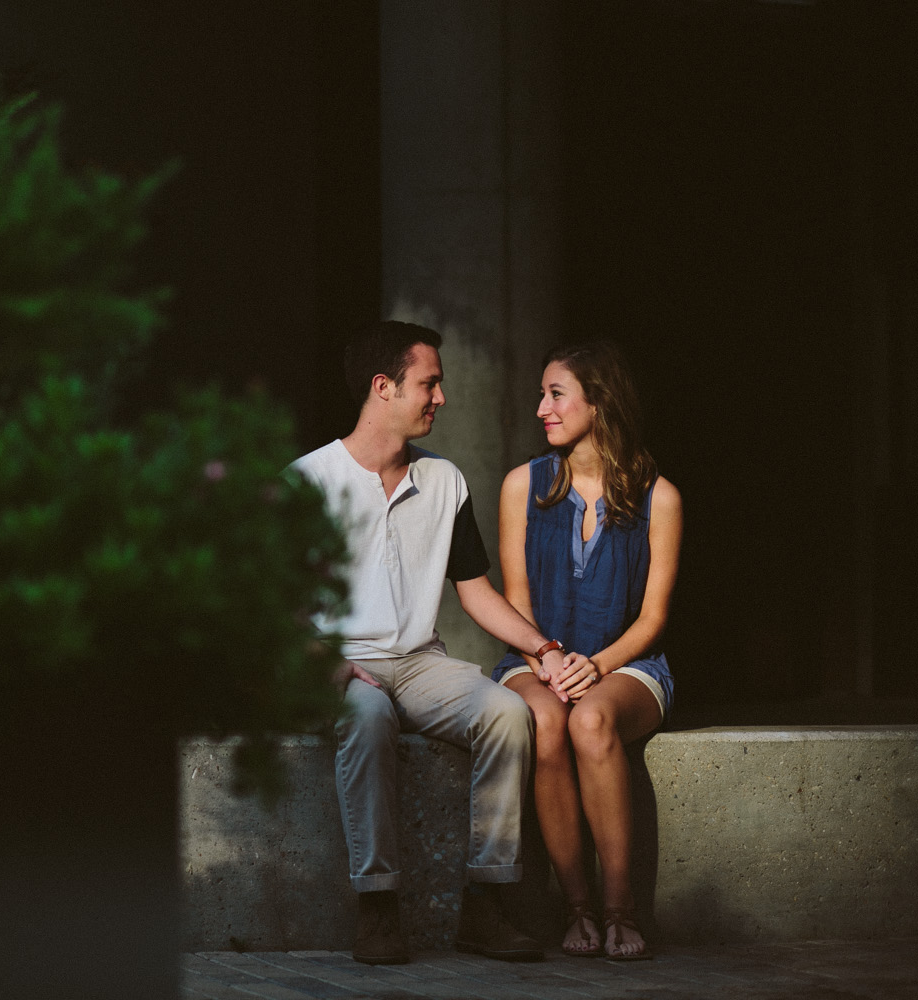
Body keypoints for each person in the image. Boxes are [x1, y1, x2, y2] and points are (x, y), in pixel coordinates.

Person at [289, 320, 572, 965]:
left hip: (419, 663)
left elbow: (475, 592)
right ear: (383, 387)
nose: (441, 397)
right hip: (339, 665)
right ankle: (378, 905)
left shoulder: (445, 480)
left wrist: (542, 650)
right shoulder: (306, 483)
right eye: (430, 383)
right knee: (365, 717)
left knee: (506, 712)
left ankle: (486, 901)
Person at [492, 341, 682, 961]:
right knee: (546, 721)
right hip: (533, 658)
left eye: (555, 394)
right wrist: (545, 656)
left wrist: (597, 665)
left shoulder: (660, 497)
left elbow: (653, 617)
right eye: (541, 395)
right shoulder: (523, 485)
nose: (541, 408)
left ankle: (620, 910)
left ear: (598, 403)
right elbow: (515, 599)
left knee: (591, 719)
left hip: (627, 665)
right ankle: (575, 909)